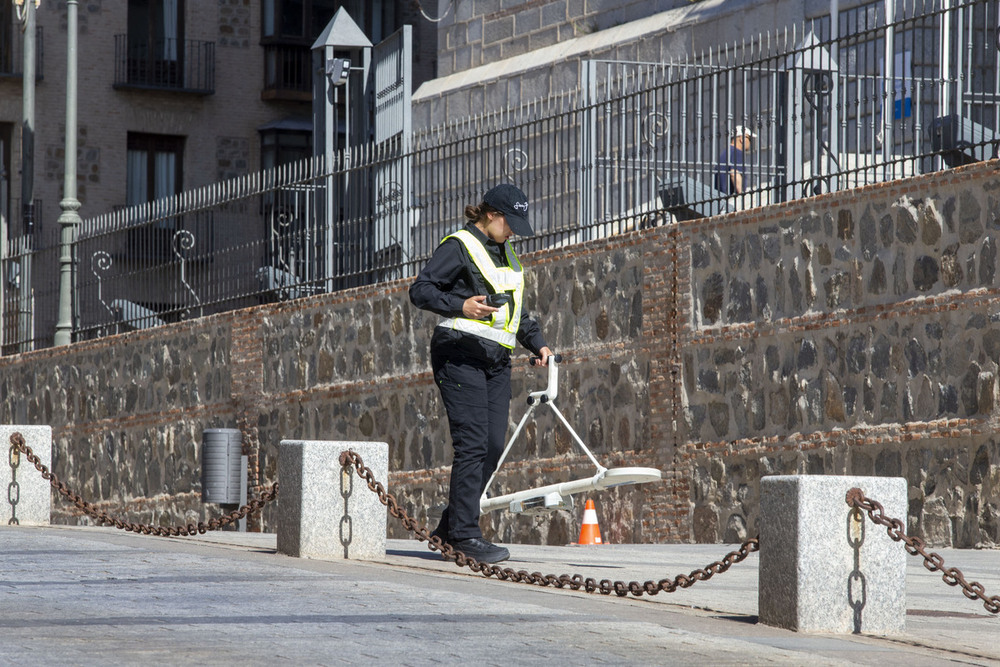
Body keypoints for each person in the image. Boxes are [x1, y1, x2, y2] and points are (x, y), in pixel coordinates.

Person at [409, 183, 553, 564]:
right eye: (511, 224)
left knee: (491, 446)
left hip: (496, 360)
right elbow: (420, 290)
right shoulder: (459, 245)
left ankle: (448, 529)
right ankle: (465, 536)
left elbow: (515, 311)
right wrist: (460, 305)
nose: (513, 233)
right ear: (491, 215)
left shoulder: (507, 253)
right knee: (472, 444)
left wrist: (537, 343)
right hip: (459, 353)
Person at [715, 125, 756, 195]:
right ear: (742, 139)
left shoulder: (726, 152)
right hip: (729, 199)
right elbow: (734, 174)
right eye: (749, 139)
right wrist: (741, 195)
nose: (750, 142)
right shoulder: (737, 152)